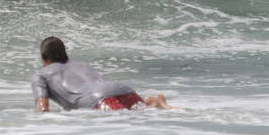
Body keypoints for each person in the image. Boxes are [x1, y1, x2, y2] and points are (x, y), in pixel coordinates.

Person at [31, 36, 174, 112]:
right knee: (138, 113)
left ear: (43, 58)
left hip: (99, 100)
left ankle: (153, 103)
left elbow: (43, 109)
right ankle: (152, 102)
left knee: (124, 120)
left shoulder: (40, 74)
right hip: (123, 90)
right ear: (64, 54)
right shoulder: (82, 65)